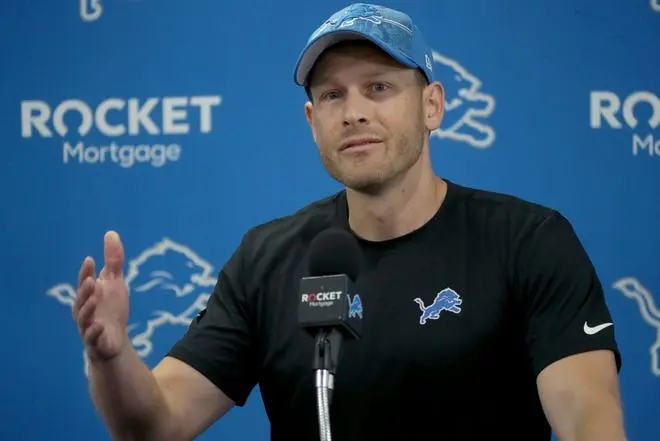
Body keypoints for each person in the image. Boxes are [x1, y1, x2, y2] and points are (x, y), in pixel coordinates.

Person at [72, 3, 628, 441]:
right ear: (313, 121)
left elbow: (589, 421)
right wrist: (111, 358)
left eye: (378, 87)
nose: (353, 111)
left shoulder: (528, 242)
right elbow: (155, 424)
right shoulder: (267, 259)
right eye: (332, 95)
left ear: (432, 105)